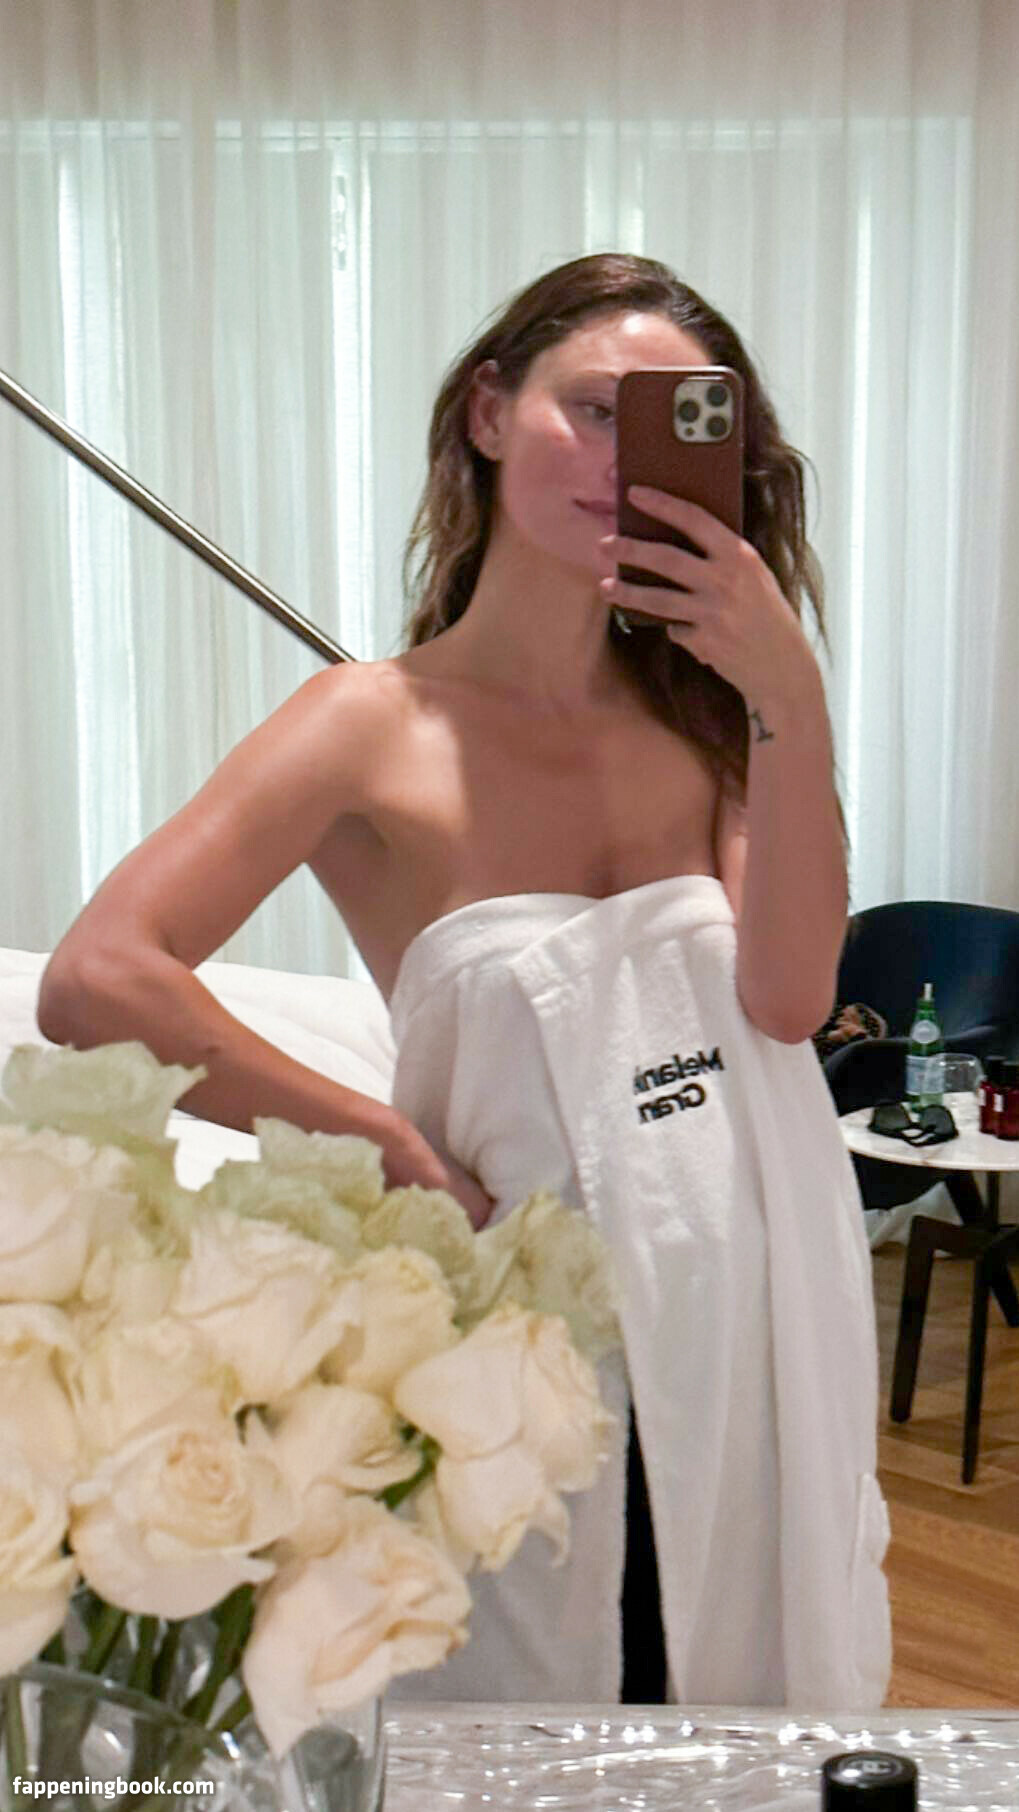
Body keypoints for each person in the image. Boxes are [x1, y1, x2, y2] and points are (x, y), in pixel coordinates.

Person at [38, 253, 891, 1711]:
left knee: (751, 1685)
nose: (622, 460)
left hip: (754, 1293)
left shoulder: (712, 719)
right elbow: (98, 977)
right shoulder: (368, 725)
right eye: (591, 410)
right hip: (528, 1321)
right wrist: (385, 1144)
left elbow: (790, 998)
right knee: (556, 1684)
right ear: (489, 413)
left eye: (670, 425)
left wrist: (789, 692)